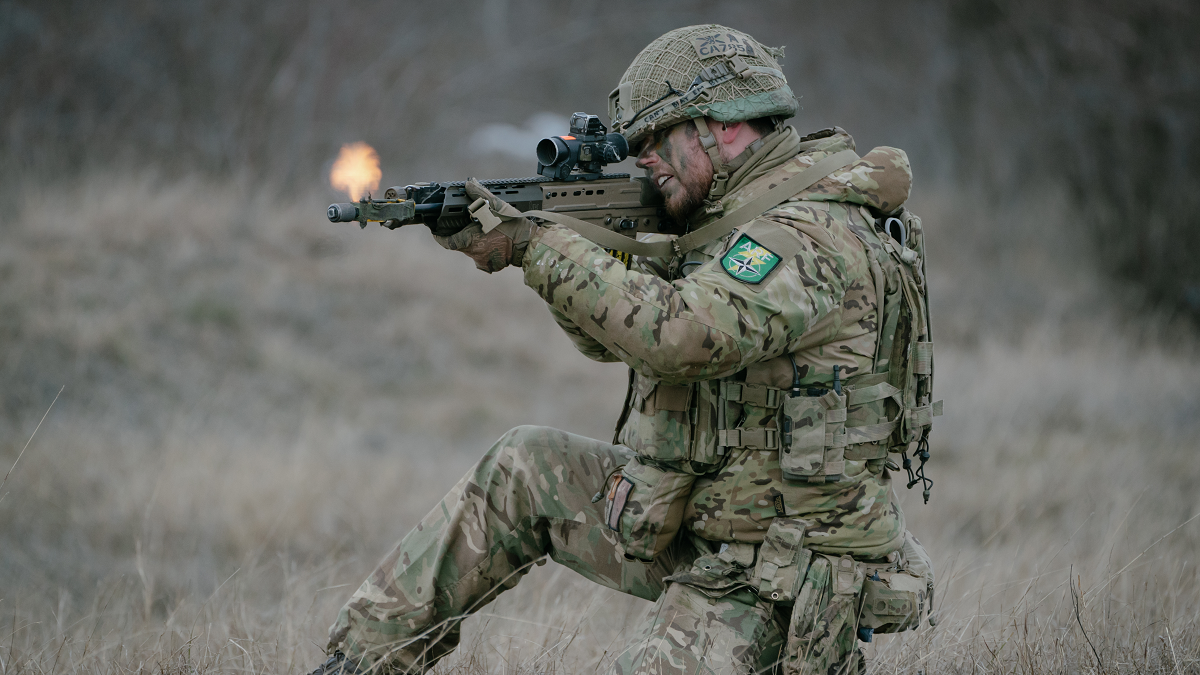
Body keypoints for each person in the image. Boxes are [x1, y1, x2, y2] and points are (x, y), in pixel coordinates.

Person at [314, 23, 939, 675]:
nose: (641, 159)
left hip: (780, 578)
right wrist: (561, 247)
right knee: (523, 465)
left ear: (723, 126)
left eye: (654, 141)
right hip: (705, 520)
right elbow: (608, 341)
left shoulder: (805, 233)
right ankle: (356, 663)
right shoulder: (727, 219)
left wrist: (541, 247)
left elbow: (675, 337)